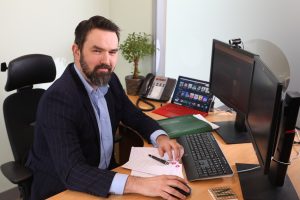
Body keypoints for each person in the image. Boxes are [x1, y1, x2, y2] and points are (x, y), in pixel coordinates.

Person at [26, 15, 190, 200]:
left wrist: (160, 137)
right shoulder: (58, 100)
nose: (106, 60)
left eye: (112, 52)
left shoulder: (109, 81)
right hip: (63, 189)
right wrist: (139, 184)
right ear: (76, 51)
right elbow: (72, 171)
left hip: (102, 177)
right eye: (97, 51)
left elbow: (133, 115)